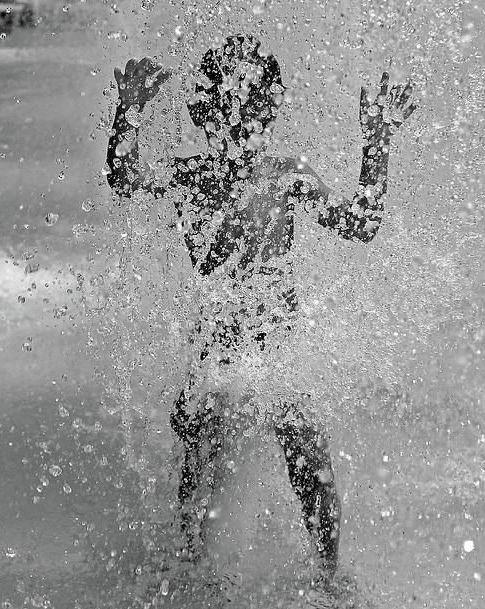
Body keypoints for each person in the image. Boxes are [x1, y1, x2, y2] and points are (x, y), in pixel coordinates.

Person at [105, 34, 417, 581]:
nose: (241, 117)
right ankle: (187, 571)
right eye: (230, 103)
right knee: (204, 453)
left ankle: (328, 576)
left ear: (268, 111)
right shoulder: (194, 176)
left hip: (276, 353)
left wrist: (377, 144)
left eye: (253, 104)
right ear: (210, 110)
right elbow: (124, 178)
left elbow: (361, 223)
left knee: (310, 461)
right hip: (218, 355)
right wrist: (128, 111)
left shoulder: (286, 176)